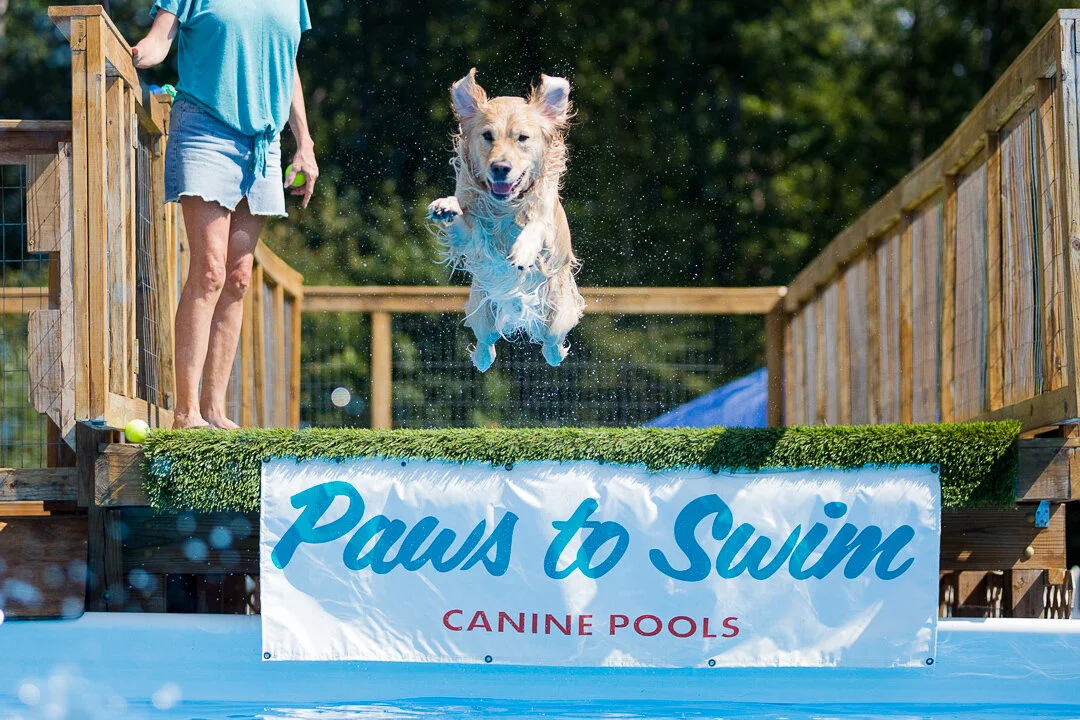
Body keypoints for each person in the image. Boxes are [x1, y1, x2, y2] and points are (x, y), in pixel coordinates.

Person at [131, 0, 318, 429]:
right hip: (204, 128)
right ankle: (186, 412)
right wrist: (135, 56)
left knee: (238, 277)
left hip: (263, 142)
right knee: (211, 269)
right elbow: (160, 41)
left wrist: (304, 144)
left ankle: (215, 410)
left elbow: (285, 66)